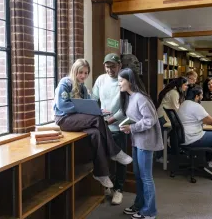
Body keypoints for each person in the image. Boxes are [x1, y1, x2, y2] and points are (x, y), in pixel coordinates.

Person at [53, 58, 133, 188]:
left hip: (78, 120)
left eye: (86, 73)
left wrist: (99, 110)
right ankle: (115, 152)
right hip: (64, 119)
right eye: (81, 73)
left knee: (96, 133)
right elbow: (62, 105)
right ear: (74, 71)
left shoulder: (83, 87)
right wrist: (83, 111)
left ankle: (101, 173)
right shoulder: (65, 83)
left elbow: (89, 104)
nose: (83, 76)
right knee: (97, 119)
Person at [118, 68, 163, 219]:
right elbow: (137, 117)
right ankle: (139, 205)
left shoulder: (141, 98)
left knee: (146, 177)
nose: (119, 84)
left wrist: (132, 127)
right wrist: (129, 127)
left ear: (130, 81)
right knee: (138, 175)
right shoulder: (131, 97)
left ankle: (150, 211)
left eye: (121, 81)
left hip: (146, 142)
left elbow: (150, 120)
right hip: (137, 141)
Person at [92, 53, 127, 205]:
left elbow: (125, 108)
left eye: (113, 66)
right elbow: (93, 100)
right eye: (107, 66)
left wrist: (110, 120)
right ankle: (106, 187)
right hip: (103, 127)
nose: (110, 69)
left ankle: (119, 189)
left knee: (120, 160)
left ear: (119, 66)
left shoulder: (124, 81)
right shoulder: (100, 79)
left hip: (118, 127)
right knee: (102, 158)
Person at [156, 77, 189, 163]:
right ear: (180, 85)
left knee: (165, 137)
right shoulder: (174, 93)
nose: (186, 87)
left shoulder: (174, 92)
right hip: (163, 117)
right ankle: (159, 157)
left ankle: (170, 152)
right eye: (185, 85)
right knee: (162, 138)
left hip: (164, 116)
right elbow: (176, 108)